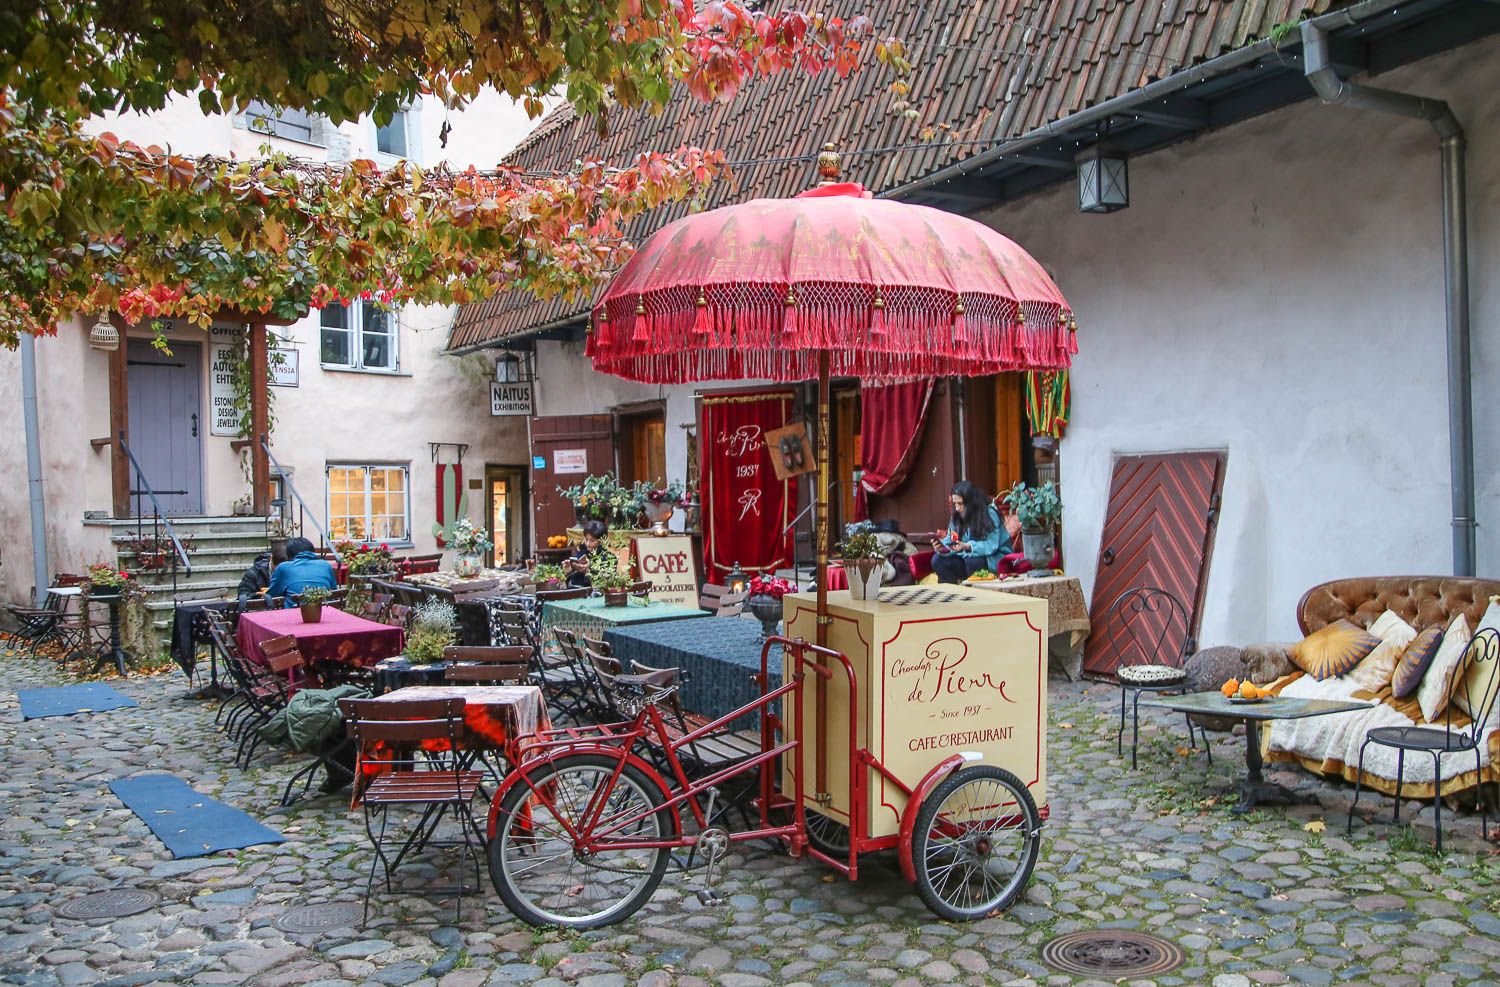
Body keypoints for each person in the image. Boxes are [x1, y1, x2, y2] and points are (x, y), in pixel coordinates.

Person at [930, 481, 1007, 583]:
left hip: (992, 559)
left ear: (971, 503)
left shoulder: (989, 514)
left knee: (973, 562)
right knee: (938, 560)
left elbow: (991, 545)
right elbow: (954, 539)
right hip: (965, 557)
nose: (957, 508)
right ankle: (953, 593)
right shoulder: (956, 517)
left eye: (960, 504)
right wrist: (943, 548)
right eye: (955, 504)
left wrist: (968, 547)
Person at [266, 536, 337, 605]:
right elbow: (334, 592)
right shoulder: (325, 565)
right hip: (324, 613)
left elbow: (271, 595)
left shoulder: (284, 567)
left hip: (293, 614)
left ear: (289, 555)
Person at [564, 520, 618, 588]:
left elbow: (607, 583)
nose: (588, 544)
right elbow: (570, 583)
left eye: (592, 540)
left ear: (602, 541)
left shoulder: (610, 558)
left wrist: (588, 571)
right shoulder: (581, 553)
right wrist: (569, 570)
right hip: (576, 592)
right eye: (586, 539)